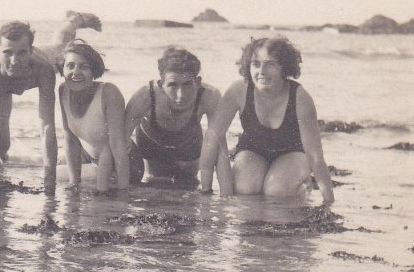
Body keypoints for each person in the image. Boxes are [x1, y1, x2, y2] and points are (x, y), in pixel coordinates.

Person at [0, 12, 101, 193]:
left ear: (31, 50)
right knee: (0, 146)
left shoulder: (43, 68)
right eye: (7, 53)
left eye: (21, 53)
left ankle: (73, 20)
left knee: (60, 47)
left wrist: (49, 177)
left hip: (39, 66)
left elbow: (46, 126)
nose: (14, 61)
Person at [199, 37, 334, 205]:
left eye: (270, 64)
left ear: (284, 68)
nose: (261, 71)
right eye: (256, 64)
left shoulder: (300, 98)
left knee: (276, 191)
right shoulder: (238, 90)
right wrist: (207, 192)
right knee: (244, 188)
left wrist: (329, 201)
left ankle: (303, 188)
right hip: (252, 151)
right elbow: (213, 137)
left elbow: (315, 156)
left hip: (292, 153)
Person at [124, 46, 229, 188]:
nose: (181, 95)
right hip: (151, 142)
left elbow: (220, 147)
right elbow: (120, 139)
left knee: (189, 184)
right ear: (161, 84)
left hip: (188, 143)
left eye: (187, 84)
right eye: (173, 85)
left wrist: (217, 196)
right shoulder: (145, 95)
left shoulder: (209, 95)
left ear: (197, 81)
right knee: (156, 182)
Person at [57, 40, 129, 192]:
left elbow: (116, 144)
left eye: (83, 67)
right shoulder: (63, 90)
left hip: (123, 163)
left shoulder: (109, 93)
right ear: (62, 69)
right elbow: (70, 137)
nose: (76, 72)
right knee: (53, 173)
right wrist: (74, 182)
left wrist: (124, 189)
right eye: (70, 66)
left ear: (94, 71)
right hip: (94, 160)